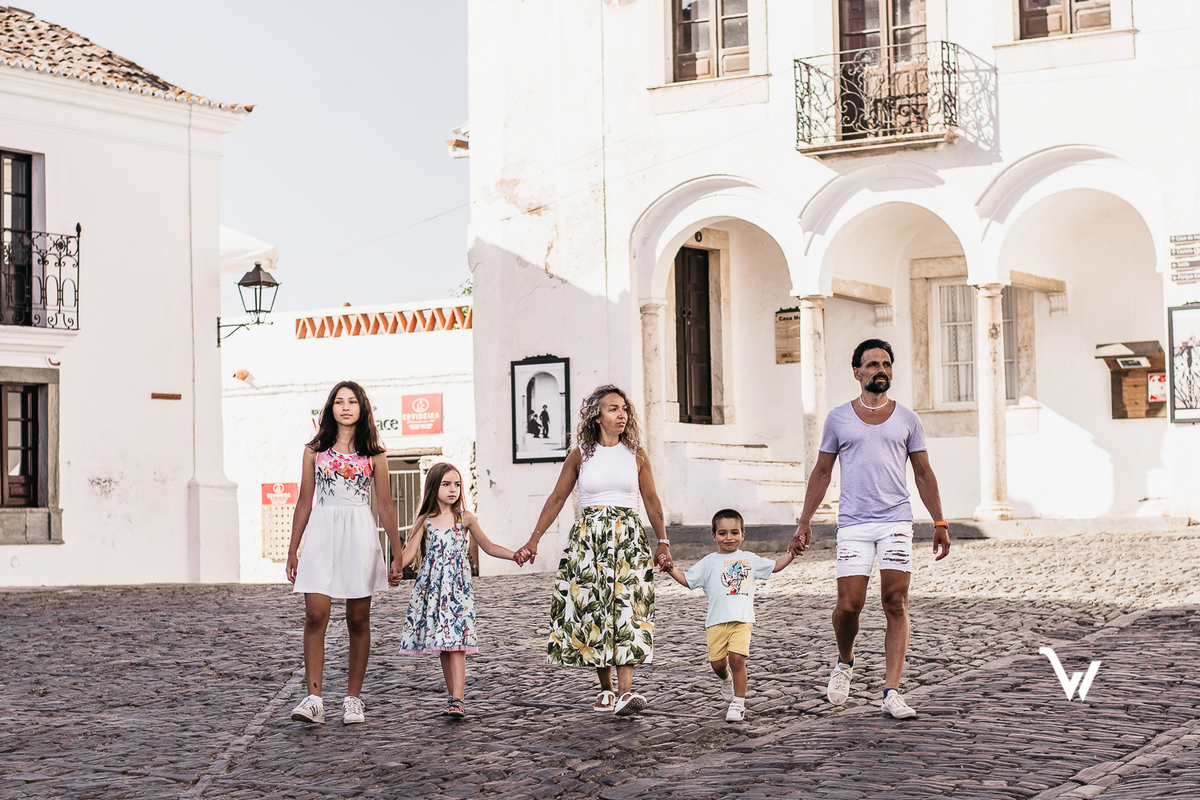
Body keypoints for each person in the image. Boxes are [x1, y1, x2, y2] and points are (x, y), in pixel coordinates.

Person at [789, 339, 950, 719]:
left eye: (886, 364)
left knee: (896, 602)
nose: (881, 370)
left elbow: (923, 474)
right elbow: (823, 471)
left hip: (896, 520)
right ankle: (845, 661)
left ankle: (892, 691)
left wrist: (939, 521)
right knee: (849, 606)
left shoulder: (908, 419)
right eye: (873, 364)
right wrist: (805, 520)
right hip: (854, 524)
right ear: (857, 371)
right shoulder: (838, 418)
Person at [514, 384, 672, 717]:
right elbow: (557, 498)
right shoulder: (581, 454)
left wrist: (663, 541)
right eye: (613, 408)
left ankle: (627, 693)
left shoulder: (637, 454)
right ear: (596, 416)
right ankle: (606, 689)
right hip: (590, 540)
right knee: (596, 610)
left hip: (627, 538)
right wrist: (534, 539)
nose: (622, 414)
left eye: (624, 408)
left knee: (628, 610)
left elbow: (652, 500)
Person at [287, 381, 403, 725]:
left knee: (358, 620)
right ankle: (314, 699)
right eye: (339, 401)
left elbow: (385, 505)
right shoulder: (314, 451)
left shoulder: (375, 454)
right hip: (322, 533)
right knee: (315, 615)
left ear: (362, 408)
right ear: (330, 408)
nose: (346, 407)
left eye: (352, 401)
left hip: (358, 533)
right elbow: (304, 501)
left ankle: (353, 699)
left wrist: (397, 554)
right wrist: (293, 549)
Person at [397, 462, 520, 718]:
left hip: (458, 590)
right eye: (446, 484)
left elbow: (488, 546)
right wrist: (395, 566)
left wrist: (514, 555)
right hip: (433, 590)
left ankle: (459, 698)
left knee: (458, 643)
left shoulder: (465, 518)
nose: (453, 489)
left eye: (457, 484)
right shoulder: (425, 521)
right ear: (433, 486)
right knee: (444, 643)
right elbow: (409, 552)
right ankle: (452, 696)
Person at [661, 508, 793, 722]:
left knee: (737, 659)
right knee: (718, 665)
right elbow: (688, 580)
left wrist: (792, 553)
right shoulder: (708, 562)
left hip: (742, 620)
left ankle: (738, 703)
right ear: (714, 536)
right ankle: (725, 679)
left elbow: (775, 566)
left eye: (734, 532)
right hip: (715, 622)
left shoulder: (749, 559)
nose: (729, 538)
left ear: (743, 534)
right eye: (722, 533)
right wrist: (670, 570)